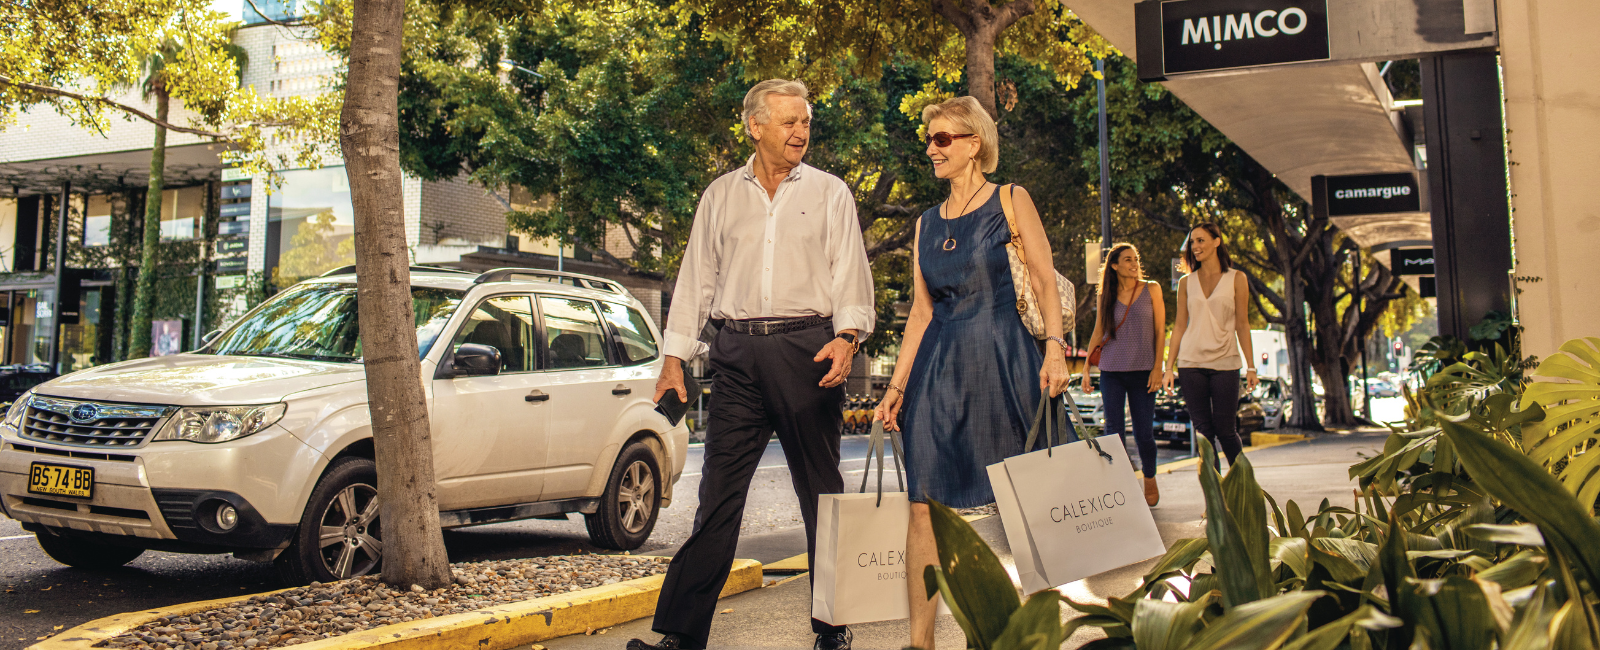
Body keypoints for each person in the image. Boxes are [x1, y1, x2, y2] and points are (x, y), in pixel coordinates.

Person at [629, 79, 875, 650]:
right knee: (717, 496)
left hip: (807, 349)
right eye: (789, 122)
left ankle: (833, 628)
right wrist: (674, 360)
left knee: (822, 494)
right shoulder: (720, 196)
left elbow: (851, 275)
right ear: (755, 126)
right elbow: (696, 282)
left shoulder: (831, 192)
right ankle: (681, 636)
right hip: (736, 352)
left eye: (806, 122)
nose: (800, 132)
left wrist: (847, 337)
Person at [872, 96, 1072, 650]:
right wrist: (895, 389)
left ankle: (1028, 632)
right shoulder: (924, 224)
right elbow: (920, 312)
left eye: (942, 139)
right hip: (938, 373)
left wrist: (1055, 348)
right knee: (923, 505)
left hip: (1007, 361)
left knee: (1027, 503)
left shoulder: (1011, 199)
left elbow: (1045, 279)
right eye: (929, 139)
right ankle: (921, 642)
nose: (931, 148)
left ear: (974, 144)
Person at [1162, 223, 1256, 466]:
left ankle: (1244, 489)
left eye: (1201, 240)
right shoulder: (1186, 282)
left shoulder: (1237, 279)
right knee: (1203, 433)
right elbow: (1180, 326)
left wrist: (1251, 367)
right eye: (1192, 242)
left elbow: (1243, 324)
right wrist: (1169, 367)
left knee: (1226, 429)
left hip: (1226, 362)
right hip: (1191, 363)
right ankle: (1215, 500)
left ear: (1217, 241)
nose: (1195, 246)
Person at [1080, 243, 1166, 506]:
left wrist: (1158, 368)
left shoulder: (1152, 289)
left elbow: (1161, 331)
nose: (1134, 263)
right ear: (1114, 265)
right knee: (1112, 432)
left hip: (1143, 371)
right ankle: (1120, 487)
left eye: (1135, 259)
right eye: (1127, 260)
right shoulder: (1105, 294)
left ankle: (1149, 477)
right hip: (1112, 370)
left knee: (1143, 433)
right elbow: (1098, 331)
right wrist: (1086, 368)